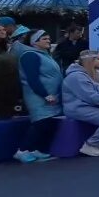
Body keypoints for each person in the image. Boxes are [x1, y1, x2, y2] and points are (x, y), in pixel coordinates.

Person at [14, 29, 62, 163]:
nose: (48, 41)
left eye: (48, 38)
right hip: (38, 96)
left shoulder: (45, 55)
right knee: (40, 123)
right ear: (34, 42)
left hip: (52, 96)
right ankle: (22, 150)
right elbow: (32, 78)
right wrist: (45, 94)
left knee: (49, 123)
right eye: (44, 39)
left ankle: (38, 150)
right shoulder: (29, 55)